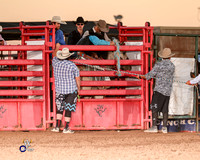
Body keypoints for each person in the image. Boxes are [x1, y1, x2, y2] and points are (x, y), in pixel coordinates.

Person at [136, 48, 175, 133]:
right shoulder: (172, 66)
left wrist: (140, 76)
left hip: (159, 90)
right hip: (168, 90)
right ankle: (164, 127)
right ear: (169, 57)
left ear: (162, 57)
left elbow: (149, 75)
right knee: (165, 109)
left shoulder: (158, 65)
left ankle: (154, 126)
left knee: (155, 107)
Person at [51, 48, 80, 134]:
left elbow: (54, 55)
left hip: (59, 89)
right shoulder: (72, 66)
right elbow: (77, 79)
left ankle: (57, 126)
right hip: (71, 89)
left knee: (59, 108)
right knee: (68, 108)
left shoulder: (55, 63)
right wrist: (78, 88)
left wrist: (57, 47)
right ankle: (66, 127)